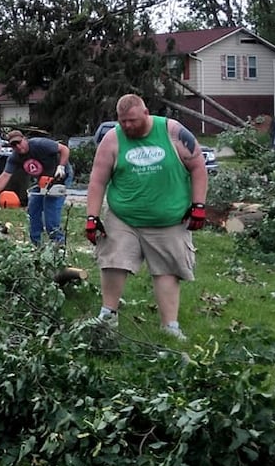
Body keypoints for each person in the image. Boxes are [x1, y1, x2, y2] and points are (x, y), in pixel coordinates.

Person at [85, 93, 208, 341]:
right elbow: (98, 180)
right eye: (123, 121)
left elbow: (198, 168)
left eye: (132, 120)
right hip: (123, 216)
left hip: (170, 219)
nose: (127, 126)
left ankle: (170, 327)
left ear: (145, 113)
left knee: (168, 270)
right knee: (113, 261)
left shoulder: (173, 132)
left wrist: (199, 206)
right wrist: (91, 217)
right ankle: (108, 314)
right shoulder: (112, 139)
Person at [0, 130, 70, 245]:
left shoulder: (40, 144)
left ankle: (58, 246)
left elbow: (64, 149)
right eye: (14, 145)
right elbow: (5, 175)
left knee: (51, 212)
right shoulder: (15, 158)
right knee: (33, 209)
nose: (18, 147)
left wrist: (61, 167)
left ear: (24, 139)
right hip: (43, 181)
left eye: (19, 142)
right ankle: (37, 245)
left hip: (60, 176)